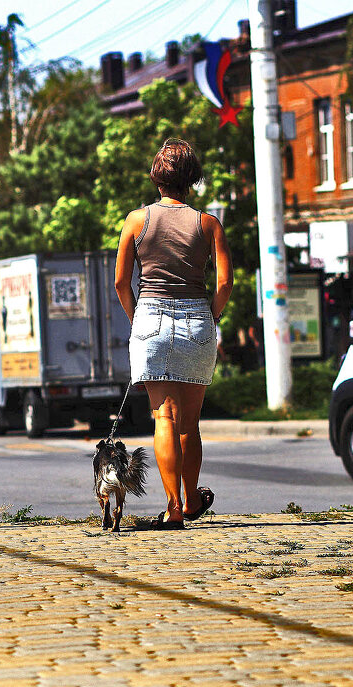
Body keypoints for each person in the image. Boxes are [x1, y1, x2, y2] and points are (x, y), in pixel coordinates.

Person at [114, 138, 233, 530]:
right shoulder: (208, 223)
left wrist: (138, 320)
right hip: (197, 318)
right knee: (190, 422)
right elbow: (226, 282)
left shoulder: (136, 220)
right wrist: (210, 317)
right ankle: (194, 496)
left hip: (150, 317)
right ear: (192, 179)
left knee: (163, 416)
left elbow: (120, 282)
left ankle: (173, 506)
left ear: (157, 177)